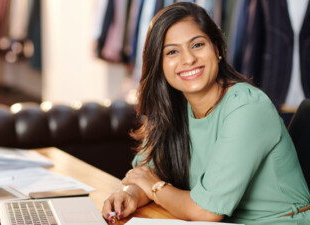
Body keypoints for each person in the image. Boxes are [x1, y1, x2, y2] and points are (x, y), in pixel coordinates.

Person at [102, 2, 310, 225]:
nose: (188, 59)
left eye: (197, 45)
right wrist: (130, 195)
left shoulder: (247, 107)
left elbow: (207, 211)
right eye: (172, 51)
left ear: (217, 49)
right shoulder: (174, 107)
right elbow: (146, 172)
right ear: (159, 64)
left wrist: (154, 187)